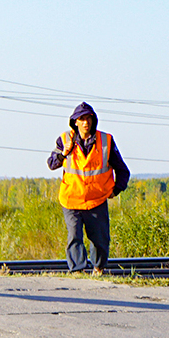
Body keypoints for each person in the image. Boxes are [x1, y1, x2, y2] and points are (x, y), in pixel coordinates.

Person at [46, 102, 130, 274]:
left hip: (96, 200)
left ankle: (98, 268)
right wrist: (64, 154)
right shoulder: (64, 140)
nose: (86, 122)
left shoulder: (106, 141)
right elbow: (51, 164)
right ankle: (77, 271)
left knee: (100, 239)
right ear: (75, 122)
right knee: (74, 237)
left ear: (93, 120)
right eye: (82, 119)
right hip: (71, 199)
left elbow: (123, 170)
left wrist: (116, 189)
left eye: (88, 118)